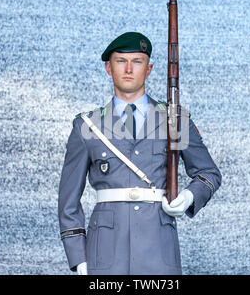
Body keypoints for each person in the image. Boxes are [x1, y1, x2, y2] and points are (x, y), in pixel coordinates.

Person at [58, 32, 222, 275]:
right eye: (120, 61)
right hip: (104, 252)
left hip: (158, 248)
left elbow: (209, 173)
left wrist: (189, 196)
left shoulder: (174, 119)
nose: (128, 69)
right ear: (108, 68)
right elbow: (68, 202)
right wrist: (78, 256)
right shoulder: (87, 126)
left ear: (148, 69)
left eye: (137, 62)